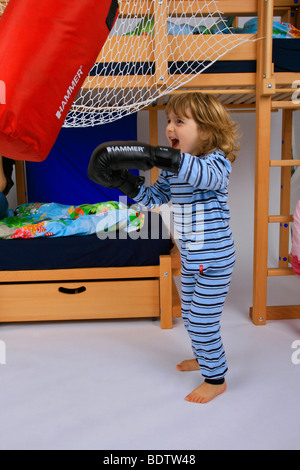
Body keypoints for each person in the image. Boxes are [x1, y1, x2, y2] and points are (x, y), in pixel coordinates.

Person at [88, 92, 239, 404]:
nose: (170, 127)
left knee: (200, 318)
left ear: (207, 130)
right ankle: (204, 357)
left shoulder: (216, 164)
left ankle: (216, 377)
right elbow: (155, 199)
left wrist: (160, 156)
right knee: (190, 312)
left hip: (214, 260)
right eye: (169, 121)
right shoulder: (174, 171)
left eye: (179, 122)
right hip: (191, 258)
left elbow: (204, 176)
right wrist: (123, 182)